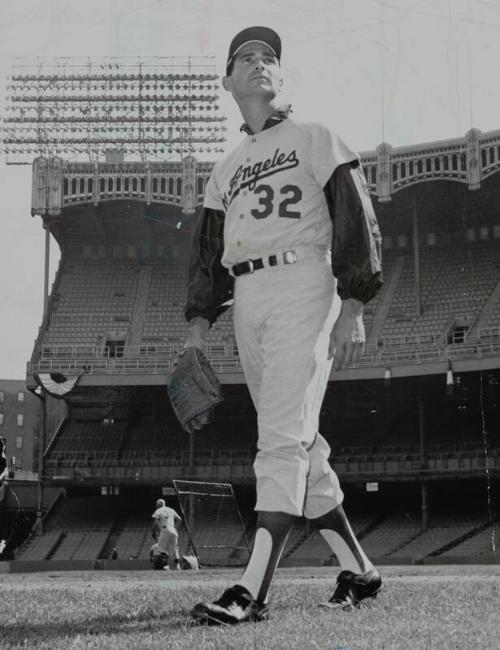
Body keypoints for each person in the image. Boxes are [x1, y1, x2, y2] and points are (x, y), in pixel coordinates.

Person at [183, 26, 383, 625]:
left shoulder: (315, 136)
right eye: (246, 57)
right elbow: (208, 253)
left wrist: (353, 306)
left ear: (281, 77)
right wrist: (197, 327)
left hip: (304, 281)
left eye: (269, 56)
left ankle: (251, 590)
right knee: (299, 442)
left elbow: (356, 218)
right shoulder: (226, 167)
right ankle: (360, 571)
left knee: (276, 437)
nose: (259, 62)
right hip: (247, 294)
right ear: (229, 81)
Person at [151, 498, 182, 570]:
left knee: (162, 549)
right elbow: (179, 519)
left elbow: (155, 522)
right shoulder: (171, 509)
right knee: (175, 549)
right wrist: (175, 528)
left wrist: (153, 531)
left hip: (165, 530)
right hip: (173, 531)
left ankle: (165, 566)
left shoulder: (158, 510)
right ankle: (177, 566)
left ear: (158, 505)